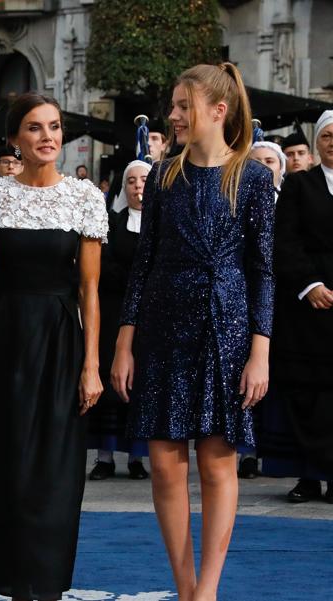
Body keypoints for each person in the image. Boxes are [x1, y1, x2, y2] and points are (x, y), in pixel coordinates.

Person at [111, 63, 274, 601]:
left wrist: (260, 352)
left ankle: (207, 591)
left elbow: (263, 269)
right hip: (161, 326)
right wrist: (124, 343)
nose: (174, 116)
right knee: (162, 465)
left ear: (218, 111)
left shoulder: (251, 177)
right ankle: (184, 590)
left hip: (225, 327)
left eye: (184, 106)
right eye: (175, 106)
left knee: (217, 461)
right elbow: (143, 263)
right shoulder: (163, 176)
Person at [0, 93, 106, 601]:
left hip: (62, 341)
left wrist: (92, 366)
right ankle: (15, 585)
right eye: (35, 128)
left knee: (58, 473)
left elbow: (90, 291)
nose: (48, 137)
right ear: (15, 139)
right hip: (4, 344)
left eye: (55, 127)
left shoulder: (84, 198)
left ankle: (49, 587)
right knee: (9, 469)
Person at [259, 109, 333, 503]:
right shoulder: (299, 185)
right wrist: (311, 284)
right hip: (308, 306)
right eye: (326, 137)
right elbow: (284, 240)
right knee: (305, 393)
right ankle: (307, 476)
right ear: (317, 144)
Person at [88, 159, 151, 481]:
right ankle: (105, 456)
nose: (138, 186)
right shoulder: (112, 222)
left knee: (140, 385)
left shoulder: (164, 222)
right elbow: (105, 266)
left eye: (144, 180)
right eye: (132, 181)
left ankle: (137, 458)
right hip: (115, 312)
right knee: (110, 383)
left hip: (151, 317)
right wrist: (139, 279)